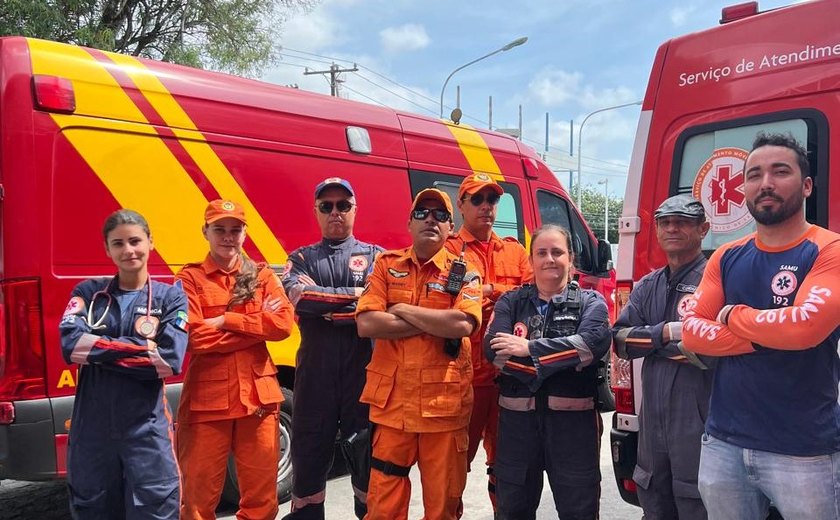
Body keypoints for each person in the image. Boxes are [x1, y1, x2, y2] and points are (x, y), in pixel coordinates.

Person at [681, 132, 840, 519]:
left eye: (779, 171)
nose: (765, 183)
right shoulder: (727, 254)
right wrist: (770, 336)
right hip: (723, 444)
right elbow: (690, 331)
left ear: (806, 186)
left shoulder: (829, 249)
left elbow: (805, 327)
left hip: (804, 450)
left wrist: (734, 316)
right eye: (753, 175)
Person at [355, 188, 482, 520]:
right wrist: (431, 320)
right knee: (382, 508)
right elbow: (367, 323)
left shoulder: (464, 272)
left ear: (450, 227)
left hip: (443, 412)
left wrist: (399, 308)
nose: (431, 219)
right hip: (393, 409)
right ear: (409, 223)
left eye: (440, 215)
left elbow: (461, 323)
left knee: (442, 508)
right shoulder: (385, 265)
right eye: (423, 213)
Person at [59, 209, 188, 519]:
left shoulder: (171, 298)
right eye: (118, 243)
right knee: (93, 510)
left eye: (135, 241)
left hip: (146, 432)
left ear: (150, 242)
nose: (128, 250)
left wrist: (99, 352)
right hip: (92, 434)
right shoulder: (89, 293)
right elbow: (71, 345)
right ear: (107, 249)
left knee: (156, 511)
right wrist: (143, 349)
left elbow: (168, 361)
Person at [176, 199, 295, 520]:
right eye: (220, 229)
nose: (228, 236)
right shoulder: (190, 279)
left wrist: (227, 321)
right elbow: (195, 338)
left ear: (244, 234)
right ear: (206, 232)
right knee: (197, 502)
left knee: (261, 501)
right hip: (207, 404)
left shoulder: (262, 275)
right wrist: (257, 326)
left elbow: (283, 324)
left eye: (235, 230)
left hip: (259, 400)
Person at [485, 224, 611, 520]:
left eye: (557, 252)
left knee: (579, 511)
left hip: (574, 429)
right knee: (512, 510)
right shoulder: (511, 302)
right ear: (531, 261)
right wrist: (563, 360)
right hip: (518, 428)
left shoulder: (591, 302)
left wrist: (530, 350)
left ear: (571, 259)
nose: (549, 259)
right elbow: (493, 351)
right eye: (541, 253)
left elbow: (591, 346)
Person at [281, 177, 383, 520]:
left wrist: (329, 306)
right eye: (327, 206)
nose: (335, 212)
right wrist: (355, 301)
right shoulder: (300, 257)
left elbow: (378, 304)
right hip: (314, 381)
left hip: (364, 379)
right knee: (308, 470)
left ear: (355, 209)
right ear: (316, 212)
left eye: (343, 205)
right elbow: (301, 298)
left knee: (368, 472)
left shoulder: (376, 257)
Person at [612, 194, 714, 520]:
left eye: (682, 222)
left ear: (703, 229)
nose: (672, 228)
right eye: (664, 222)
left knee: (698, 502)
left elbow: (708, 351)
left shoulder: (715, 282)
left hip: (699, 424)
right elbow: (620, 342)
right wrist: (667, 334)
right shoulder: (647, 286)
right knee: (654, 502)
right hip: (652, 424)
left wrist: (650, 343)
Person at [445, 173, 532, 511]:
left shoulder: (514, 251)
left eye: (492, 200)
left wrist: (489, 291)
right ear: (461, 205)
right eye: (477, 199)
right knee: (454, 466)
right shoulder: (449, 250)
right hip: (463, 378)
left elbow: (533, 295)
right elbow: (445, 301)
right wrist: (498, 296)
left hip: (507, 377)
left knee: (507, 464)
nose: (486, 207)